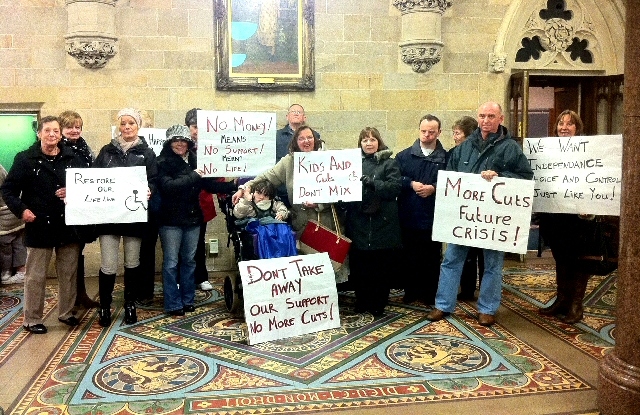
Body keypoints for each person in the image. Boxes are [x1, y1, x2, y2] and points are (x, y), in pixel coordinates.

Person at [426, 102, 534, 326]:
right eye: (482, 116)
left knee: (493, 264)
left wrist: (501, 175)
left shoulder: (511, 148)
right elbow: (450, 177)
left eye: (491, 116)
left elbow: (525, 177)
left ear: (500, 119)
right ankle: (443, 304)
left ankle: (487, 308)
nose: (486, 120)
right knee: (451, 259)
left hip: (494, 220)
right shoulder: (463, 148)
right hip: (465, 217)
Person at [0, 115, 86, 334]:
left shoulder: (72, 158)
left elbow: (85, 188)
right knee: (36, 275)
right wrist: (22, 210)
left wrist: (72, 191)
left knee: (68, 273)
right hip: (39, 224)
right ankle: (31, 318)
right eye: (47, 130)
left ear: (60, 134)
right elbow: (8, 190)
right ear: (39, 133)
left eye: (56, 131)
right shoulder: (25, 159)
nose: (52, 135)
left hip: (68, 225)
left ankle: (66, 313)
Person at [537, 110, 612, 324]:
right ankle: (562, 300)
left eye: (570, 124)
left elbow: (598, 179)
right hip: (555, 215)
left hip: (579, 217)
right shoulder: (547, 151)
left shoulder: (589, 152)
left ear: (577, 128)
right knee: (561, 257)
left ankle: (576, 306)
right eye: (561, 123)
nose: (564, 127)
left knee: (580, 260)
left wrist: (592, 206)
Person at [93, 108, 158, 327]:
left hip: (133, 216)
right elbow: (95, 178)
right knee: (108, 264)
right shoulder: (106, 151)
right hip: (109, 218)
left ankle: (130, 303)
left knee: (132, 263)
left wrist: (150, 189)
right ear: (118, 126)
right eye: (123, 123)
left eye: (131, 123)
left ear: (138, 126)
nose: (127, 127)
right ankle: (105, 305)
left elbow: (154, 179)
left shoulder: (146, 153)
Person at [232, 126, 335, 236]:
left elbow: (338, 190)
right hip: (301, 225)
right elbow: (266, 177)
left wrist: (319, 204)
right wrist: (243, 188)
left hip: (326, 224)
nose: (306, 141)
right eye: (301, 138)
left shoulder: (328, 159)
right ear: (295, 142)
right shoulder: (288, 161)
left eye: (309, 137)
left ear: (315, 139)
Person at [343, 127, 401, 316]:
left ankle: (378, 302)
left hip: (382, 223)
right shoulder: (352, 164)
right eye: (365, 140)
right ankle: (362, 300)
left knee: (380, 267)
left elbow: (394, 188)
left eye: (372, 139)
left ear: (379, 142)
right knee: (360, 265)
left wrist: (373, 183)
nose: (369, 143)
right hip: (359, 221)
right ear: (360, 144)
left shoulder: (389, 163)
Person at [395, 115, 448, 305]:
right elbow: (394, 180)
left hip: (434, 216)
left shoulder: (446, 158)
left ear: (439, 133)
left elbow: (452, 183)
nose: (427, 135)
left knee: (432, 258)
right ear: (419, 131)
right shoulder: (403, 156)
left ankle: (429, 294)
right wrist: (410, 183)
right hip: (408, 214)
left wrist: (434, 187)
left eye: (431, 132)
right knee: (409, 257)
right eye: (423, 131)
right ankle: (410, 292)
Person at [58, 110, 100, 309]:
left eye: (78, 127)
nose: (74, 130)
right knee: (69, 255)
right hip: (64, 210)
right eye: (69, 127)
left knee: (79, 250)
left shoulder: (85, 149)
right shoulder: (57, 150)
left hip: (84, 209)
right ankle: (70, 298)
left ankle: (80, 293)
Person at [450, 116, 484, 301]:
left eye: (457, 133)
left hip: (483, 211)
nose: (454, 137)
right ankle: (467, 289)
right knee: (466, 253)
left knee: (484, 256)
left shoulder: (481, 152)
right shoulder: (454, 153)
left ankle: (485, 291)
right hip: (462, 210)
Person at [275, 105, 322, 207]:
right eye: (293, 111)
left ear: (304, 117)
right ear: (287, 116)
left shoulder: (316, 136)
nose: (296, 113)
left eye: (299, 112)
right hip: (283, 188)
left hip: (306, 189)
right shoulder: (276, 136)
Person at [0, 164, 26, 285]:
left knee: (5, 247)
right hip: (17, 209)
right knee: (19, 242)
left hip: (4, 216)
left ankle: (6, 273)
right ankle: (21, 270)